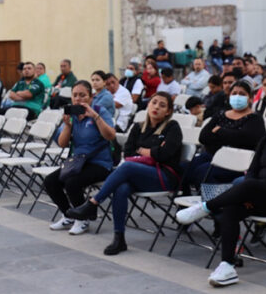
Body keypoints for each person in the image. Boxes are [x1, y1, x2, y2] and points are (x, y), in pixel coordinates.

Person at [176, 99, 266, 286]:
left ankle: (205, 207)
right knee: (232, 207)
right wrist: (256, 191)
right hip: (262, 196)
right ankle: (227, 265)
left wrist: (258, 188)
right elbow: (252, 171)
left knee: (250, 186)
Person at [67, 92, 183, 254]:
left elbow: (165, 155)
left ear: (168, 111)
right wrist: (153, 150)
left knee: (127, 168)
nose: (156, 107)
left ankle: (92, 203)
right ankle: (119, 238)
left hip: (164, 176)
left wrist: (142, 150)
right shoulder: (138, 127)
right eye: (154, 102)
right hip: (140, 175)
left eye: (162, 105)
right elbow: (128, 153)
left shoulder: (173, 127)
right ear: (148, 105)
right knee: (121, 188)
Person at [47, 81, 116, 236]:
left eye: (83, 95)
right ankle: (69, 215)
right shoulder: (71, 114)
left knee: (72, 182)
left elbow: (111, 135)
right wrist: (68, 126)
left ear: (91, 97)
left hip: (100, 163)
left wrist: (95, 117)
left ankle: (83, 219)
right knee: (51, 181)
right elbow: (62, 143)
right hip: (79, 162)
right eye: (75, 95)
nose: (78, 99)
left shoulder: (99, 111)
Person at [182, 81, 266, 191]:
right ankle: (184, 199)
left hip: (237, 161)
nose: (237, 96)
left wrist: (220, 131)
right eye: (234, 93)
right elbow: (203, 137)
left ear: (250, 98)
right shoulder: (221, 114)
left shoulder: (255, 119)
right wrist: (230, 136)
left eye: (242, 94)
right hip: (211, 155)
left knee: (202, 172)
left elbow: (246, 139)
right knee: (185, 168)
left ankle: (212, 202)